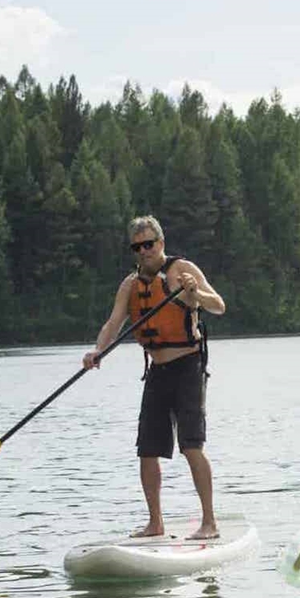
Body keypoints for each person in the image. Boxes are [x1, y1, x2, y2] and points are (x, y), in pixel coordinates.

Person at [83, 216, 225, 539]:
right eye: (137, 247)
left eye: (149, 244)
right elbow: (113, 323)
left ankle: (209, 523)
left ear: (161, 243)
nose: (144, 251)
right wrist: (97, 352)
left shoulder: (182, 270)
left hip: (188, 367)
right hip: (157, 372)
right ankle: (155, 522)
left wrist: (195, 294)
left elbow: (218, 305)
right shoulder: (130, 285)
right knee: (147, 450)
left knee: (191, 446)